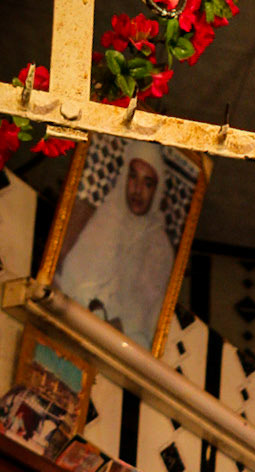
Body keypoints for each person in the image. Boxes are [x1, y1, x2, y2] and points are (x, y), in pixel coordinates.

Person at [55, 144, 174, 348]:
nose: (137, 190)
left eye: (147, 183)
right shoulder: (105, 215)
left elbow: (149, 324)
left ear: (157, 189)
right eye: (133, 177)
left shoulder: (160, 249)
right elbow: (70, 279)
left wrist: (123, 326)